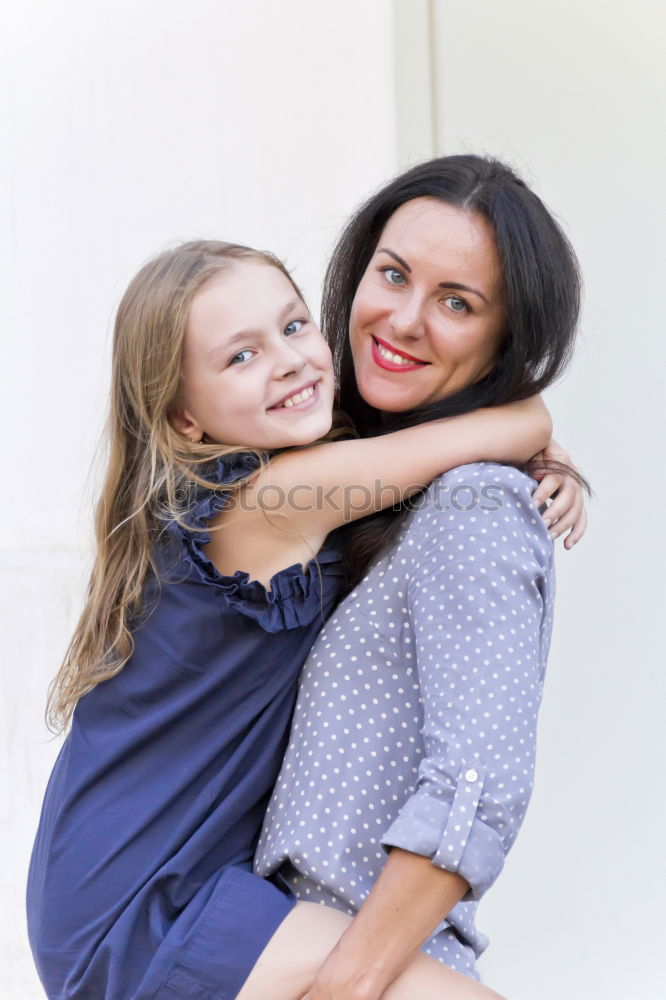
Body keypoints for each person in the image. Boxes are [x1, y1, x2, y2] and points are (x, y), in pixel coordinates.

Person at [27, 238, 566, 1000]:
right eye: (239, 358)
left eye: (292, 326)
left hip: (139, 884)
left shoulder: (288, 484)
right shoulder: (261, 505)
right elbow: (505, 424)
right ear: (184, 417)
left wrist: (535, 450)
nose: (287, 361)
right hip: (136, 906)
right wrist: (540, 444)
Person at [252, 154, 588, 999]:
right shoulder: (362, 481)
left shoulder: (474, 503)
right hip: (299, 946)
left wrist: (346, 985)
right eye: (393, 275)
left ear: (504, 344)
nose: (403, 320)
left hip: (366, 964)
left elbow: (477, 788)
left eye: (456, 302)